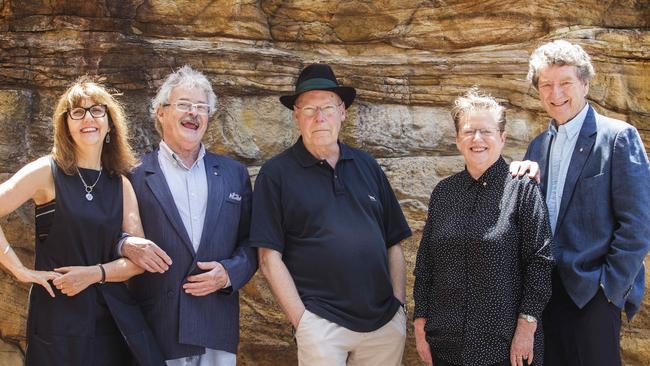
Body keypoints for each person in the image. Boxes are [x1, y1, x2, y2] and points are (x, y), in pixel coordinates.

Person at [247, 63, 412, 366]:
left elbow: (393, 243)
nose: (319, 117)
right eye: (309, 110)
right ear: (296, 116)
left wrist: (398, 309)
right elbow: (268, 258)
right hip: (322, 326)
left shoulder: (367, 166)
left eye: (327, 107)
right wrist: (304, 322)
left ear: (343, 112)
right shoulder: (276, 174)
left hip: (383, 327)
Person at [0, 77, 165, 365]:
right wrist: (20, 270)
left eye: (97, 110)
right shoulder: (46, 172)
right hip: (58, 317)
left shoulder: (121, 184)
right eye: (77, 112)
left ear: (110, 123)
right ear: (65, 125)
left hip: (113, 320)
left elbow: (137, 262)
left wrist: (94, 273)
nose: (88, 118)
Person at [510, 40, 650, 366]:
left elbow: (638, 224)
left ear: (585, 84)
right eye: (546, 85)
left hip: (592, 295)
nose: (555, 92)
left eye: (565, 83)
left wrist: (608, 291)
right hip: (544, 298)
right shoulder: (537, 147)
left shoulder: (617, 137)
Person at [119, 65, 257, 366]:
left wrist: (229, 273)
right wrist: (124, 244)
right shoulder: (132, 173)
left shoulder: (234, 174)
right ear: (160, 112)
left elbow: (252, 242)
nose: (193, 113)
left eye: (201, 108)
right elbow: (104, 232)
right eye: (184, 105)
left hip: (216, 326)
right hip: (156, 329)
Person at [413, 88, 554, 366]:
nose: (477, 139)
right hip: (446, 345)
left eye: (486, 131)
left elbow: (540, 262)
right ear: (457, 139)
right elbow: (426, 263)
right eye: (468, 131)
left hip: (504, 347)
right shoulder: (444, 192)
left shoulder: (522, 190)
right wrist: (420, 324)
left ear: (502, 138)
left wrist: (526, 328)